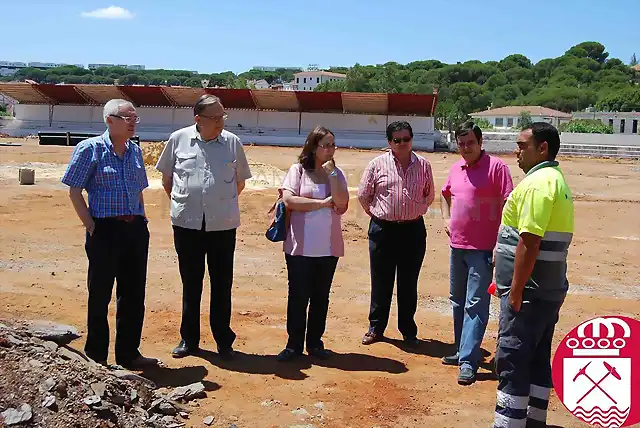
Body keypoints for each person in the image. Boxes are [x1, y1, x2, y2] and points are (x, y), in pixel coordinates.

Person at [61, 99, 158, 369]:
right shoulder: (89, 149)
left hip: (135, 229)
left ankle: (129, 354)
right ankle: (97, 356)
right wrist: (90, 225)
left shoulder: (135, 151)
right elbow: (74, 190)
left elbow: (138, 189)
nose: (132, 122)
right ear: (109, 120)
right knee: (100, 293)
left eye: (135, 117)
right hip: (105, 230)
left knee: (133, 294)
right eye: (127, 117)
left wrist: (142, 216)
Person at [155, 94, 252, 360]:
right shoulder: (178, 139)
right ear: (198, 119)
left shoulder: (232, 143)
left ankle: (223, 339)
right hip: (187, 225)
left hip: (222, 226)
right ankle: (189, 339)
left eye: (223, 116)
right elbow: (167, 181)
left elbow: (239, 183)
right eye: (215, 117)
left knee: (222, 284)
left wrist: (216, 204)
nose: (221, 121)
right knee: (191, 283)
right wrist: (189, 205)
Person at [492, 123, 574, 428]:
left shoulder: (538, 184)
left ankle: (509, 423)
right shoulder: (556, 180)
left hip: (529, 293)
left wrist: (515, 290)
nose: (517, 151)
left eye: (523, 145)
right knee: (538, 359)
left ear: (543, 148)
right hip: (549, 289)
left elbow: (529, 241)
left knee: (512, 361)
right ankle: (534, 420)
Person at [440, 121, 514, 385]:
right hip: (457, 246)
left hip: (483, 248)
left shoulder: (497, 168)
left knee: (476, 304)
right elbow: (445, 194)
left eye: (470, 143)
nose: (465, 148)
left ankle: (469, 361)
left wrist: (500, 242)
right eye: (461, 144)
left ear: (480, 142)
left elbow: (509, 205)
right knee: (457, 300)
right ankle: (463, 349)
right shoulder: (456, 168)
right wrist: (446, 220)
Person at [357, 121, 435, 347]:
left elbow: (429, 195)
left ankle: (408, 330)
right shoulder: (376, 164)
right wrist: (378, 214)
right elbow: (364, 195)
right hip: (383, 230)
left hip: (413, 229)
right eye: (397, 140)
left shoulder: (424, 165)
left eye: (406, 139)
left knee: (409, 282)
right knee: (381, 281)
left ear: (412, 139)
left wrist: (417, 209)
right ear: (389, 142)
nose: (402, 144)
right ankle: (376, 327)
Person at [276, 126, 350, 362]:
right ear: (313, 147)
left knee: (321, 297)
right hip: (300, 246)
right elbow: (289, 200)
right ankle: (293, 345)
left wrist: (333, 176)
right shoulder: (298, 171)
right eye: (325, 145)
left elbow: (342, 204)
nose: (330, 150)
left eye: (332, 145)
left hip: (328, 247)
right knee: (298, 296)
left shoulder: (336, 173)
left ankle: (315, 343)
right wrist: (321, 203)